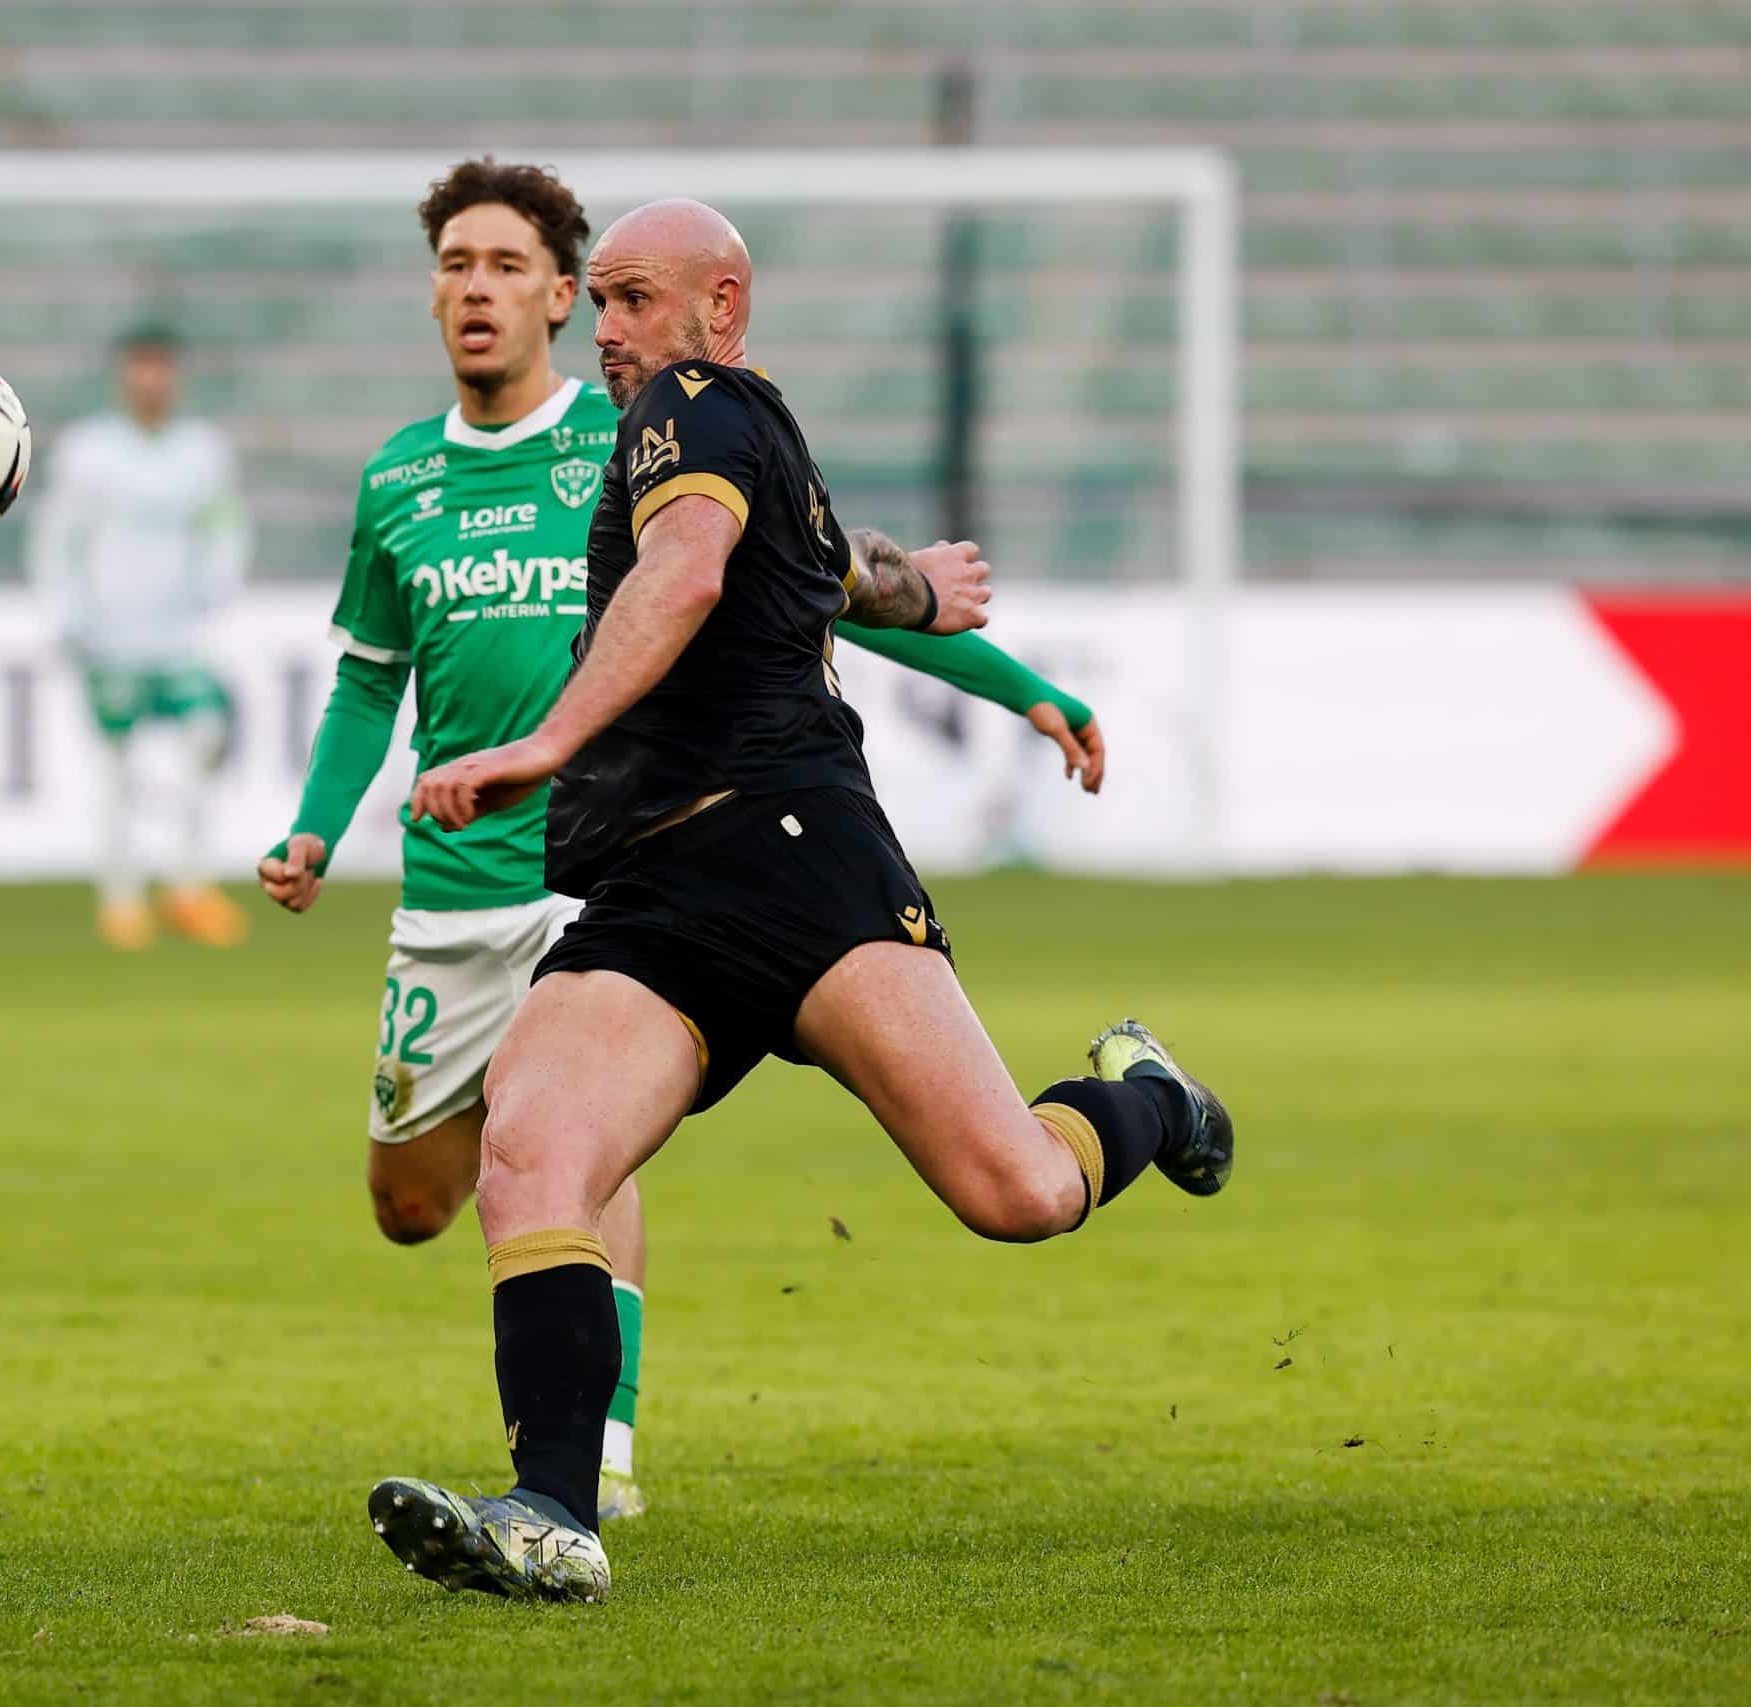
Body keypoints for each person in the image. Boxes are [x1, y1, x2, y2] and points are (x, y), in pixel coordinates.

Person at [366, 201, 1231, 1602]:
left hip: (792, 853)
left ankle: (1149, 1095)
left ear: (725, 307)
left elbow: (691, 572)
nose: (612, 327)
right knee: (532, 1144)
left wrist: (541, 741)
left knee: (1015, 1188)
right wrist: (929, 597)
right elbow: (847, 575)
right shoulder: (727, 447)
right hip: (654, 893)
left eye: (637, 297)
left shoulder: (695, 403)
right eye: (604, 302)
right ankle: (551, 1511)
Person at [28, 326, 254, 950]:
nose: (150, 381)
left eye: (160, 368)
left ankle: (188, 884)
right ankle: (122, 900)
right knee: (118, 766)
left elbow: (226, 522)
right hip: (110, 634)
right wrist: (65, 611)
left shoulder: (202, 450)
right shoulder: (88, 450)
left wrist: (220, 581)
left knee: (207, 738)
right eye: (140, 369)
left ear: (174, 375)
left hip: (181, 636)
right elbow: (57, 535)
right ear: (123, 375)